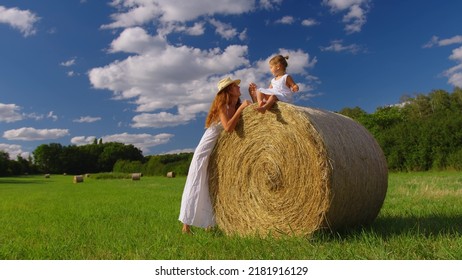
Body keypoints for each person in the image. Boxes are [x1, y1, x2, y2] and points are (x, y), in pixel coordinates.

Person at [179, 77, 252, 234]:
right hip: (205, 151)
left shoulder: (237, 105)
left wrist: (252, 98)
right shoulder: (222, 106)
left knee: (211, 185)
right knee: (196, 182)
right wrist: (240, 110)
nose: (238, 88)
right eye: (234, 86)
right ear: (228, 91)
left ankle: (208, 223)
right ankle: (186, 225)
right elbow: (228, 128)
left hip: (217, 152)